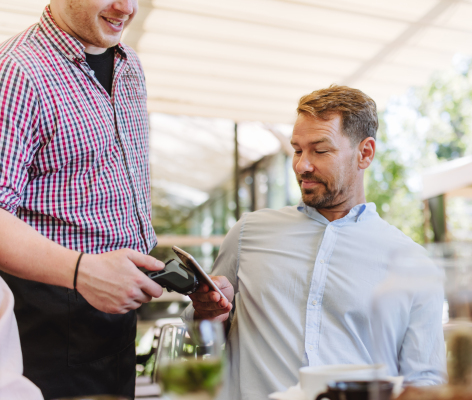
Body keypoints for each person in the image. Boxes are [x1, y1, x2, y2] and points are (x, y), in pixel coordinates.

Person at [185, 85, 447, 400]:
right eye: (297, 150)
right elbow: (203, 335)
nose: (302, 166)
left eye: (320, 151)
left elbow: (426, 380)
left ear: (365, 153)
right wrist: (208, 312)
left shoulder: (412, 263)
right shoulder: (247, 233)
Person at [0, 0, 165, 398]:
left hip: (116, 318)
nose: (126, 7)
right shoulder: (17, 72)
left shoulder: (130, 66)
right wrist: (81, 271)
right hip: (45, 320)